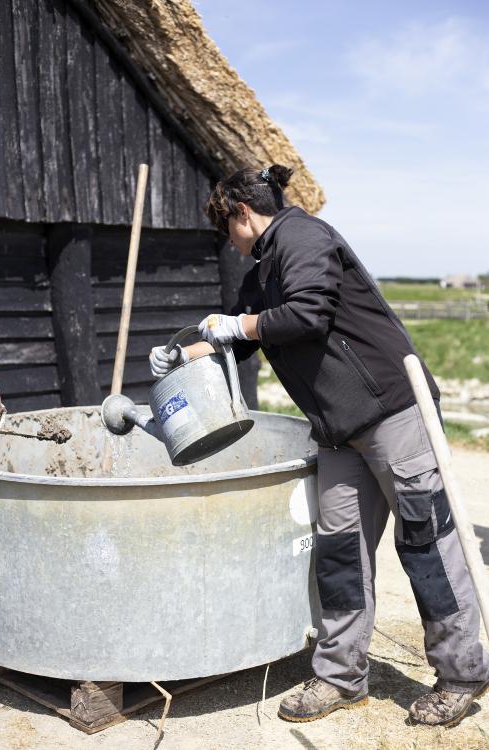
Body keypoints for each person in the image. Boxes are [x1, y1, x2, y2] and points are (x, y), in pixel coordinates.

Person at [149, 165, 489, 728]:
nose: (231, 245)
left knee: (426, 542)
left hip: (392, 411)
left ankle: (460, 674)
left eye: (227, 230)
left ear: (241, 211)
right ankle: (340, 674)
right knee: (339, 552)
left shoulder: (305, 237)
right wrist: (184, 356)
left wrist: (240, 326)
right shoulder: (261, 274)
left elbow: (306, 314)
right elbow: (244, 342)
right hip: (337, 428)